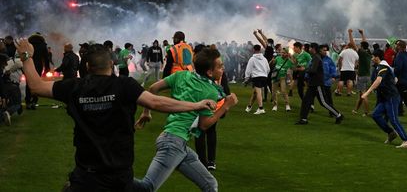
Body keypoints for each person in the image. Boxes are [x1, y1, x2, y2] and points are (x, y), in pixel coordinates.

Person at [14, 39, 217, 191]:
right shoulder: (124, 85)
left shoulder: (75, 87)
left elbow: (36, 86)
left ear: (87, 67)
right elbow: (156, 102)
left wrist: (26, 56)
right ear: (111, 66)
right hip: (119, 178)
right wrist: (195, 104)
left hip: (86, 177)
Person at [133, 47, 238, 192]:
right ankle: (110, 177)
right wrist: (225, 106)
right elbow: (204, 125)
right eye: (220, 66)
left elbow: (153, 88)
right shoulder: (210, 91)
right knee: (147, 187)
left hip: (176, 142)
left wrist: (146, 112)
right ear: (209, 72)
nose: (223, 68)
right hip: (173, 143)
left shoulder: (181, 75)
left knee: (210, 184)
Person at [361, 49, 407, 148]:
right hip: (385, 98)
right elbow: (395, 79)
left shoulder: (383, 67)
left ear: (377, 57)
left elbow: (378, 80)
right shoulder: (383, 66)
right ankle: (391, 133)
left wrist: (367, 93)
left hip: (391, 97)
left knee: (393, 120)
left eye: (373, 57)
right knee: (376, 115)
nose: (372, 59)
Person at [296, 43, 344, 125]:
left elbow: (313, 70)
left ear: (313, 49)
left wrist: (305, 69)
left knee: (323, 102)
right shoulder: (315, 58)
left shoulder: (317, 58)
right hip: (313, 83)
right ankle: (303, 119)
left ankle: (338, 115)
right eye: (323, 50)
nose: (308, 49)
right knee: (306, 101)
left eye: (310, 48)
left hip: (317, 84)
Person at [26, 33, 50, 110]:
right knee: (36, 83)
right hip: (38, 66)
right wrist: (47, 68)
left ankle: (28, 101)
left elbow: (24, 56)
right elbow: (46, 57)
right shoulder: (43, 45)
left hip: (28, 64)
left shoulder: (28, 44)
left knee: (28, 83)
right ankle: (34, 101)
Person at [244, 44, 270, 115]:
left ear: (253, 50)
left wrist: (246, 79)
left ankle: (261, 108)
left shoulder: (252, 59)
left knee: (258, 92)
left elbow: (248, 70)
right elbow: (268, 69)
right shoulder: (264, 59)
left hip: (256, 77)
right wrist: (265, 74)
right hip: (264, 77)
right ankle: (249, 106)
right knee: (255, 93)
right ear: (260, 49)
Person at [352, 29, 372, 116]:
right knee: (361, 94)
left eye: (360, 45)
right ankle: (355, 110)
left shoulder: (362, 52)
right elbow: (365, 43)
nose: (359, 46)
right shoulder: (368, 52)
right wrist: (362, 34)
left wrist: (350, 33)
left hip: (362, 76)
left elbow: (352, 44)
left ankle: (367, 112)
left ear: (362, 47)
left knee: (364, 95)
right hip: (367, 76)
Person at [335, 29, 359, 96]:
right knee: (350, 80)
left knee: (342, 80)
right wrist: (354, 66)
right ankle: (349, 92)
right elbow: (357, 61)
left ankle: (338, 91)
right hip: (351, 69)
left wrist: (340, 66)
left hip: (344, 68)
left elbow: (339, 59)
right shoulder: (355, 53)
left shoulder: (344, 51)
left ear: (348, 46)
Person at [269, 47, 293, 112]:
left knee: (283, 91)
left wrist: (291, 80)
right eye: (282, 52)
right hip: (275, 77)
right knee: (273, 92)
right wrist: (272, 61)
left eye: (284, 53)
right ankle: (275, 105)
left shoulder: (289, 61)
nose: (282, 54)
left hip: (283, 78)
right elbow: (270, 64)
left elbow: (293, 68)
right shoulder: (277, 58)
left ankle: (287, 105)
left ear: (287, 54)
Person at [253, 29, 274, 102]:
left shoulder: (269, 47)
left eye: (267, 42)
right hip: (269, 66)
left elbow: (261, 41)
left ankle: (268, 97)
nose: (266, 41)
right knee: (268, 82)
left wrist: (256, 34)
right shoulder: (272, 47)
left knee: (267, 82)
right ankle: (269, 97)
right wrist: (261, 33)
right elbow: (265, 39)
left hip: (267, 66)